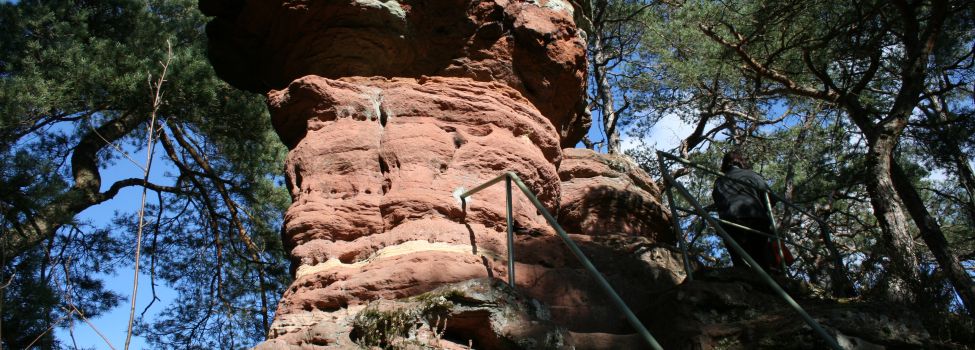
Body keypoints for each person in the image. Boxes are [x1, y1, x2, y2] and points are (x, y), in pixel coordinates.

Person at [711, 150, 778, 273]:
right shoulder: (752, 175)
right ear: (741, 162)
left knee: (741, 262)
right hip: (756, 220)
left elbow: (717, 200)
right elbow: (771, 199)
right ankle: (771, 280)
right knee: (762, 261)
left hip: (729, 224)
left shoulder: (719, 182)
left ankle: (744, 278)